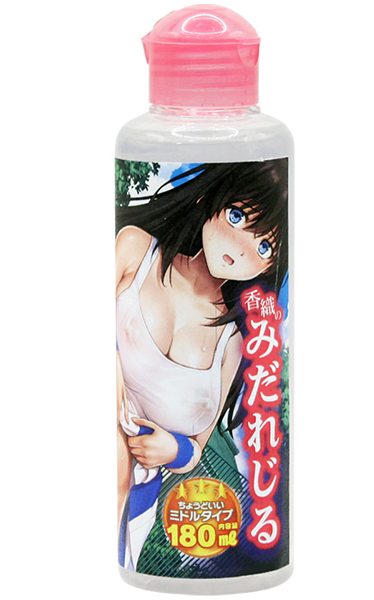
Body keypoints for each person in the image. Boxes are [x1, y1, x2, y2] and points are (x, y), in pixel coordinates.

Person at [116, 160, 288, 571]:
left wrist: (173, 449)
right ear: (209, 200)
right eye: (237, 216)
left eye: (264, 247)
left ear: (269, 265)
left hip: (136, 494)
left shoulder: (232, 343)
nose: (241, 247)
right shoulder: (135, 249)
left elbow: (195, 447)